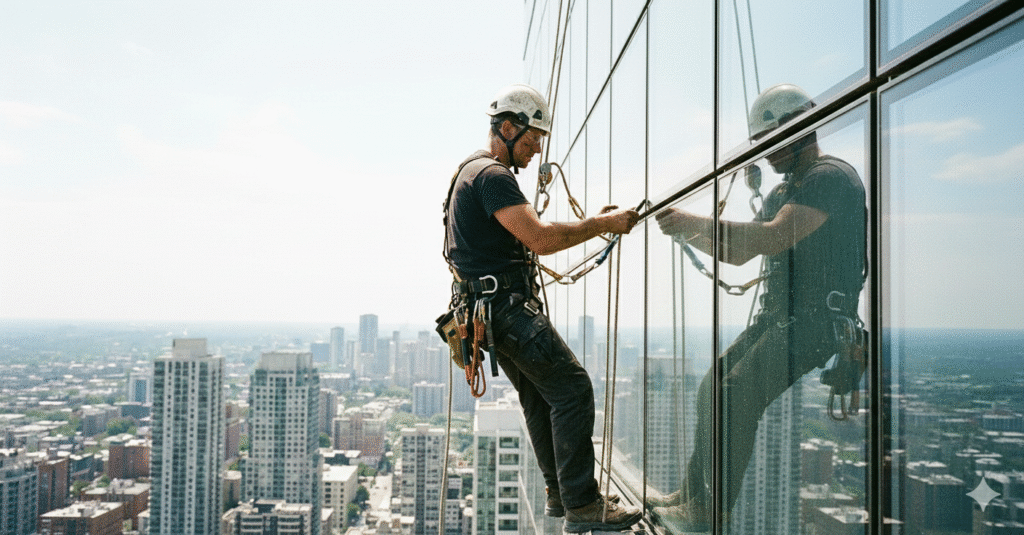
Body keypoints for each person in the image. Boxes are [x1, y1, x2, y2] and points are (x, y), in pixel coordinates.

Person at [652, 84, 866, 531]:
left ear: (799, 130)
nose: (766, 154)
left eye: (771, 142)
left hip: (818, 322)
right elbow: (741, 251)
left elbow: (772, 237)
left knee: (735, 396)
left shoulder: (830, 179)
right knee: (713, 387)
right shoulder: (785, 191)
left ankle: (709, 514)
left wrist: (692, 221)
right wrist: (686, 232)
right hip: (782, 317)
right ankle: (694, 496)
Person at [442, 83, 643, 533]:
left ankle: (561, 494)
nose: (535, 151)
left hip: (486, 314)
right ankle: (583, 506)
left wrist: (596, 222)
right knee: (572, 390)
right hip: (506, 310)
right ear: (508, 128)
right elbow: (541, 239)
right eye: (531, 140)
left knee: (539, 396)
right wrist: (602, 224)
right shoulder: (493, 176)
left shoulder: (467, 173)